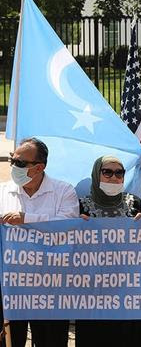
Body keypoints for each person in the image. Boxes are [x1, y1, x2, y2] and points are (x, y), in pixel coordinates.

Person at [0, 137, 79, 347]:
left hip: (50, 289)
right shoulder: (2, 191)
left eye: (19, 163)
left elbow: (68, 225)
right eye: (11, 160)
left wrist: (26, 219)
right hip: (11, 289)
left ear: (39, 167)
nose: (13, 166)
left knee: (50, 342)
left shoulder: (64, 191)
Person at [76, 155, 141, 347]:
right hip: (92, 292)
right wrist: (76, 229)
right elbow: (69, 249)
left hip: (129, 292)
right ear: (96, 175)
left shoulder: (136, 204)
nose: (113, 178)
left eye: (119, 173)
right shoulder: (81, 206)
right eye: (107, 172)